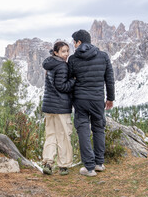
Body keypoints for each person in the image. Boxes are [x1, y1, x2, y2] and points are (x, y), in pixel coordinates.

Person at [68, 29, 115, 177]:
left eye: (74, 42)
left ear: (79, 42)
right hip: (97, 99)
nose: (74, 45)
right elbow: (109, 79)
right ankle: (99, 163)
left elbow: (70, 80)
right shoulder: (103, 56)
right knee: (99, 128)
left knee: (83, 129)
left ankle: (89, 168)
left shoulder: (73, 59)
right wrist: (110, 98)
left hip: (81, 100)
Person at [41, 41, 75, 176]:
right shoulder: (62, 66)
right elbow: (62, 86)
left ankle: (48, 163)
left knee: (51, 135)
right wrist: (74, 80)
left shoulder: (49, 64)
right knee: (64, 136)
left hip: (49, 107)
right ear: (56, 52)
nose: (66, 54)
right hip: (61, 107)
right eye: (63, 51)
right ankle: (63, 165)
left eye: (67, 51)